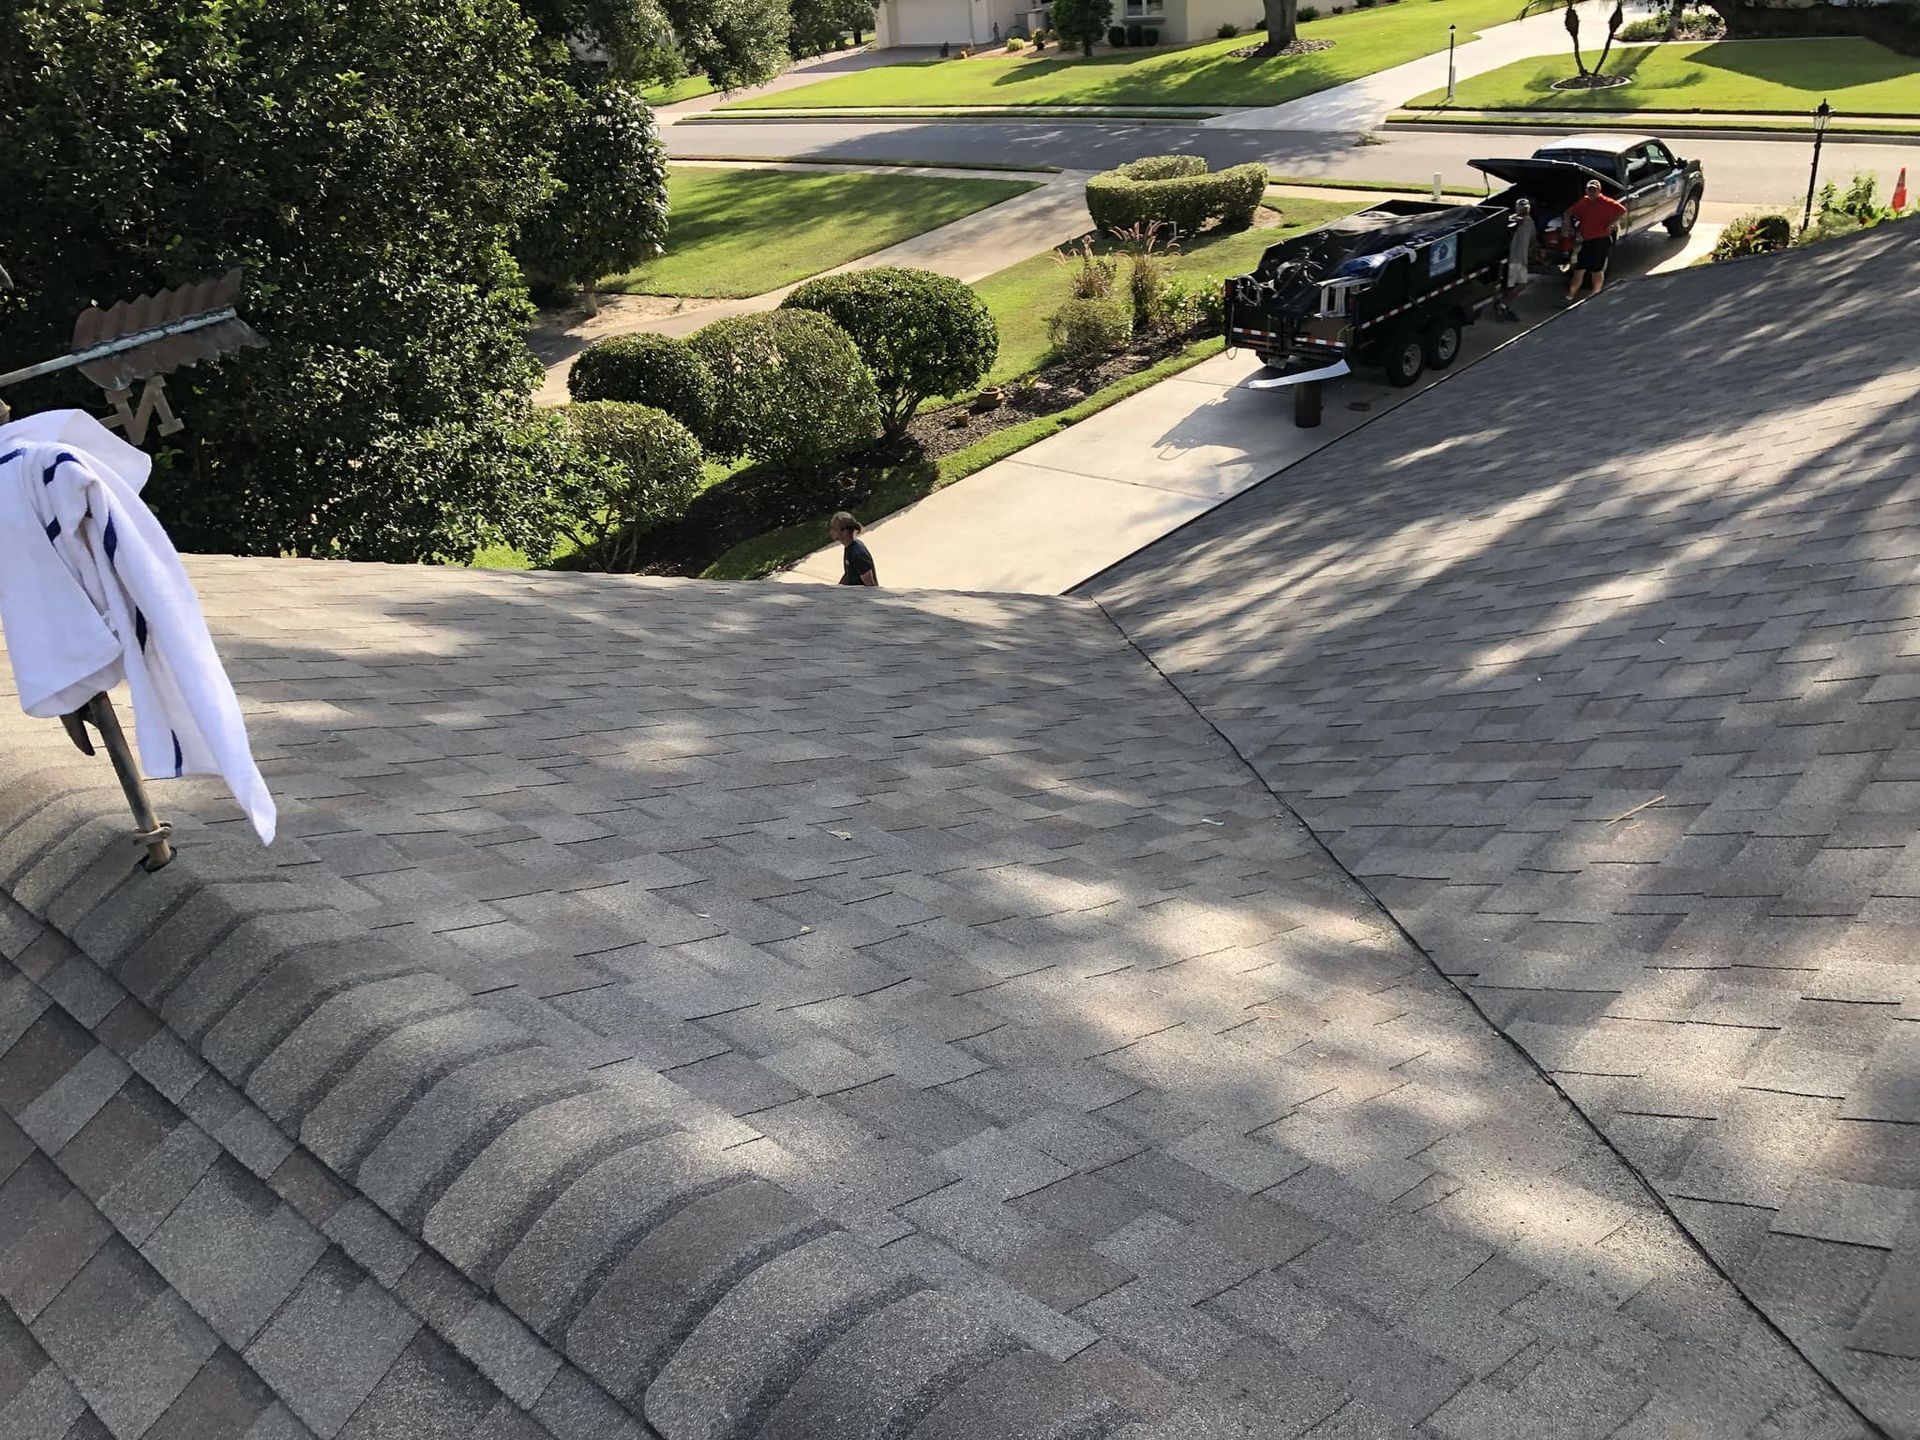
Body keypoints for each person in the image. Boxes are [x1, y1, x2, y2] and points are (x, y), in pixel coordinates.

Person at [1563, 179, 1627, 303]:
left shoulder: (1606, 202)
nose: (1591, 192)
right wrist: (1569, 228)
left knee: (1597, 270)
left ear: (1599, 191)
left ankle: (1595, 295)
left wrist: (1611, 224)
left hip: (1601, 240)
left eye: (1594, 190)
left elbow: (1622, 210)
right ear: (1586, 190)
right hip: (1586, 241)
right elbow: (1568, 213)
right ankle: (1570, 296)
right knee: (1579, 269)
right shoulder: (1584, 201)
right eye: (1589, 189)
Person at [1497, 198, 1536, 321]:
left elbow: (1532, 239)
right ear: (1517, 208)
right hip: (1513, 259)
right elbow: (1509, 221)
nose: (1524, 209)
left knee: (1519, 284)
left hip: (1522, 259)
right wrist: (1514, 219)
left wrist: (1535, 252)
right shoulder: (1513, 220)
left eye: (1526, 207)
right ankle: (1503, 305)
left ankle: (1504, 305)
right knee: (1515, 284)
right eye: (1522, 207)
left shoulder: (1529, 221)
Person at [831, 512, 877, 587]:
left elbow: (871, 586)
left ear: (844, 531)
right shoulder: (849, 548)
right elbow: (849, 574)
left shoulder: (857, 553)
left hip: (861, 597)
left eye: (834, 528)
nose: (831, 531)